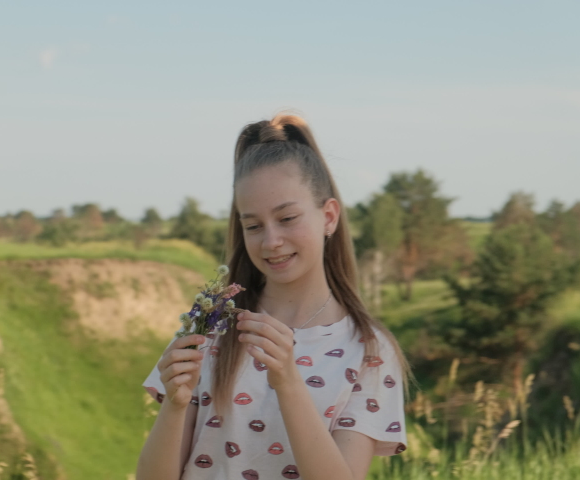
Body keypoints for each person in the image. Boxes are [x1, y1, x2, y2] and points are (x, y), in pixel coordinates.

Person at [136, 114, 410, 480]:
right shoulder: (211, 325)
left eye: (287, 218)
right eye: (253, 226)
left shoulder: (369, 350)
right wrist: (174, 405)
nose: (271, 241)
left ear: (328, 217)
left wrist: (288, 382)